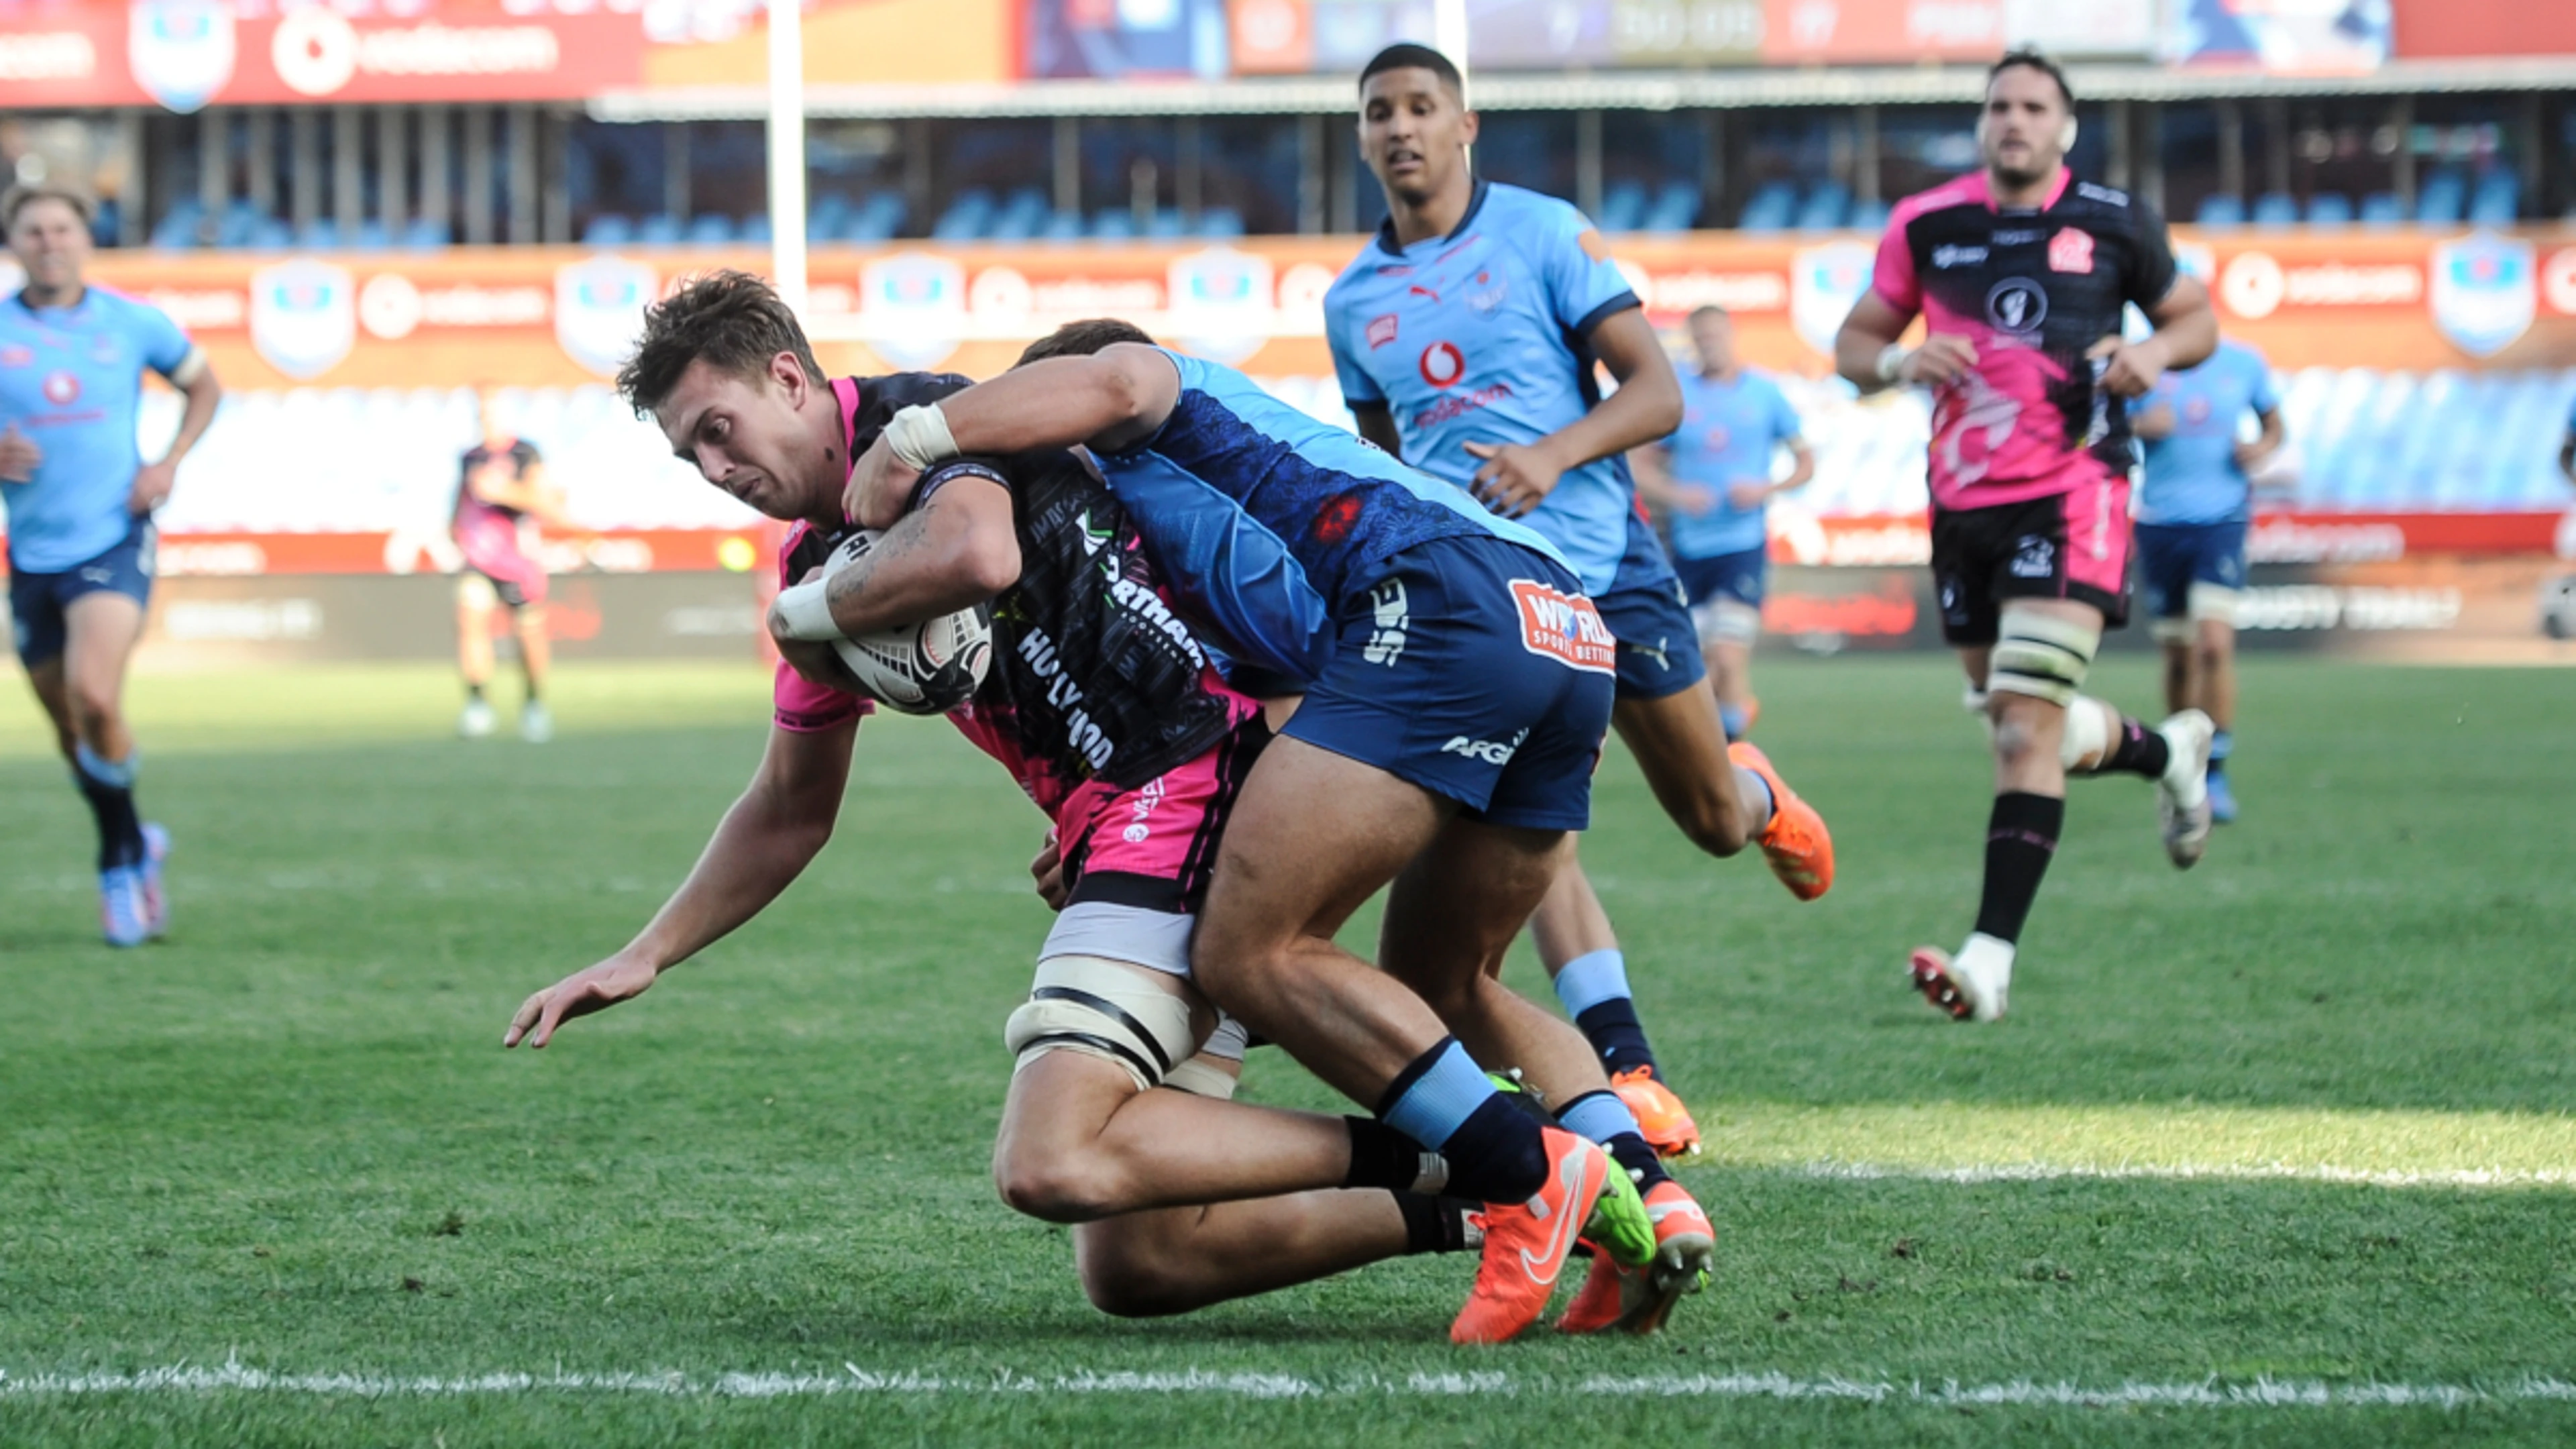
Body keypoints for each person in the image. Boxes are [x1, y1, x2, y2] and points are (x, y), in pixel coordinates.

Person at [502, 273, 1658, 1339]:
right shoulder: (818, 563)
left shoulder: (928, 423)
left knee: (1049, 1160)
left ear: (790, 381)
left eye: (720, 429)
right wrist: (647, 952)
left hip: (1180, 788)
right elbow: (789, 808)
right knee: (1143, 1260)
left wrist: (813, 614)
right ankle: (1495, 1194)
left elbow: (977, 552)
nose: (715, 467)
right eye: (689, 456)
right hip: (1129, 822)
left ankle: (1506, 1161)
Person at [842, 317, 1719, 1342]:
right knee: (1450, 987)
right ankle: (1650, 1193)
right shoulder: (1193, 547)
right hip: (1557, 624)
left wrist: (912, 437)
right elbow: (1281, 717)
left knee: (1253, 951)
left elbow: (1117, 381)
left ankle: (1521, 1172)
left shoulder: (1151, 408)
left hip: (1438, 600)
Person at [1320, 42, 1833, 1160]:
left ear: (1465, 125)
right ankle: (1626, 1066)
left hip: (1610, 568)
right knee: (1535, 826)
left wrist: (1552, 455)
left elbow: (1658, 393)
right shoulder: (1353, 301)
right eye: (1379, 112)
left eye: (1421, 106)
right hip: (1493, 607)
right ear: (1360, 137)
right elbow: (1386, 466)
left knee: (1709, 821)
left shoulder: (1545, 233)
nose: (1400, 127)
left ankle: (1755, 793)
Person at [1833, 49, 2220, 1024]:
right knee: (2013, 716)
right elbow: (1852, 348)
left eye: (2035, 107)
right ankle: (2169, 752)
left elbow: (2196, 322)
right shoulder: (1927, 223)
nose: (2014, 120)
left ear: (2065, 127)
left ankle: (1989, 962)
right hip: (1963, 504)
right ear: (1982, 121)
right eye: (2000, 105)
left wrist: (2152, 351)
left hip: (2076, 491)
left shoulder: (2116, 220)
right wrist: (1900, 361)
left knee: (2020, 726)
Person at [0, 183, 222, 946]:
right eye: (35, 231)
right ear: (15, 243)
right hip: (31, 555)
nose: (50, 242)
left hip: (113, 538)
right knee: (71, 733)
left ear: (84, 238)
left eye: (62, 228)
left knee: (96, 697)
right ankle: (135, 838)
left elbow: (204, 385)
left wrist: (168, 462)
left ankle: (117, 867)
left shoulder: (131, 322)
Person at [1630, 305, 1816, 741]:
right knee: (1701, 666)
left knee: (1727, 656)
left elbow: (1806, 462)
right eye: (1701, 338)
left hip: (1742, 544)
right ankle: (1730, 738)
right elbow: (1639, 465)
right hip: (1688, 547)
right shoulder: (1679, 395)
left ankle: (1728, 750)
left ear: (1731, 335)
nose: (1709, 345)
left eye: (1715, 335)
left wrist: (1765, 489)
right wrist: (1678, 494)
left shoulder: (1764, 393)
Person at [2131, 337, 2284, 823]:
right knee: (2179, 658)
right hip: (2159, 523)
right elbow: (2098, 426)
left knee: (2214, 646)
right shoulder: (2141, 362)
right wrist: (2138, 426)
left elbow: (2275, 426)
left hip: (2222, 519)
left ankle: (2215, 769)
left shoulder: (2243, 362)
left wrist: (2259, 448)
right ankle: (2184, 765)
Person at [451, 386, 571, 743]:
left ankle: (534, 703)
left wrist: (504, 492)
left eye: (491, 411)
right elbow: (460, 502)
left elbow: (549, 506)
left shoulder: (525, 454)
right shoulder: (470, 458)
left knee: (527, 636)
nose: (485, 419)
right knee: (470, 620)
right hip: (479, 557)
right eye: (481, 412)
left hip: (519, 561)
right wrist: (454, 531)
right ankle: (478, 704)